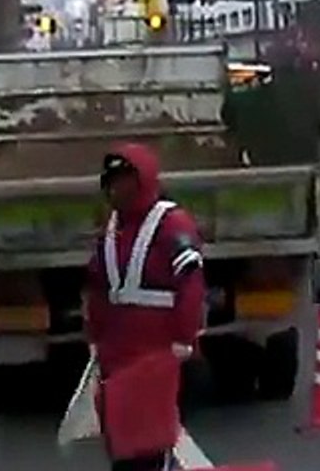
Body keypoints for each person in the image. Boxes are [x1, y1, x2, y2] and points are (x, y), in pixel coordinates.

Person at [85, 143, 207, 471]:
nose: (118, 189)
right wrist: (95, 335)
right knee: (122, 443)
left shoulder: (172, 224)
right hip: (117, 355)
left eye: (126, 181)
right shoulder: (110, 229)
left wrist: (184, 337)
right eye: (113, 182)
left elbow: (191, 284)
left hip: (157, 353)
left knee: (150, 443)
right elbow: (98, 287)